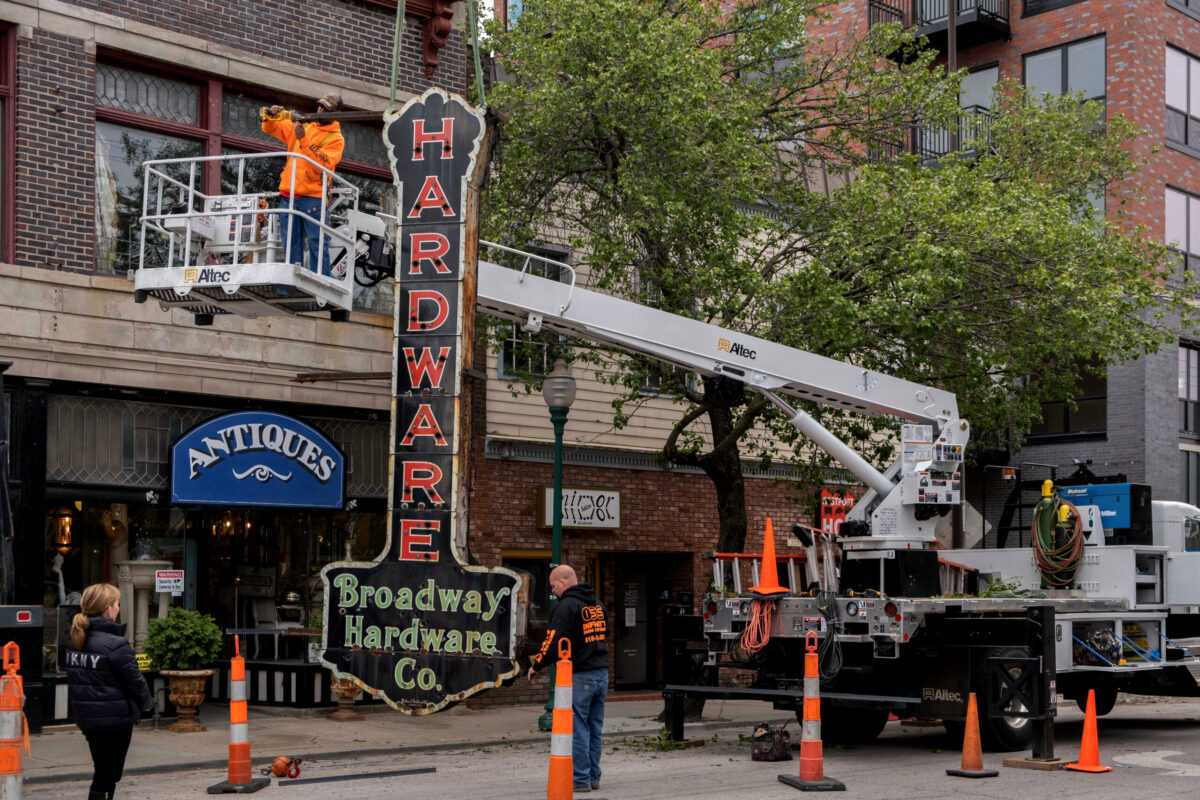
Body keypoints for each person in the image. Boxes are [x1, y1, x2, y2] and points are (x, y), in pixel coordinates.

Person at [66, 583, 152, 800]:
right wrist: (147, 704)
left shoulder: (76, 641)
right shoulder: (116, 645)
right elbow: (135, 682)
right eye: (116, 603)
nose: (118, 607)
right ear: (108, 609)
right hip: (114, 720)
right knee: (108, 774)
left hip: (88, 718)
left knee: (103, 770)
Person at [528, 564, 609, 792]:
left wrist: (537, 664)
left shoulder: (567, 606)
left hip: (580, 674)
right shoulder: (598, 605)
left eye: (554, 586)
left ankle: (580, 779)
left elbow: (552, 640)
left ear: (562, 583)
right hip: (601, 673)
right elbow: (606, 633)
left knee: (578, 728)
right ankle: (593, 776)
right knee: (594, 728)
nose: (553, 591)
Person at [261, 92, 345, 276]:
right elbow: (270, 128)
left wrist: (303, 139)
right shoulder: (303, 124)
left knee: (317, 243)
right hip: (289, 194)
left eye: (326, 108)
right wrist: (270, 115)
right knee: (291, 244)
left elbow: (322, 166)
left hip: (312, 198)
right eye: (320, 105)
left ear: (336, 114)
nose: (320, 109)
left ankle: (321, 285)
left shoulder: (335, 139)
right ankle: (290, 287)